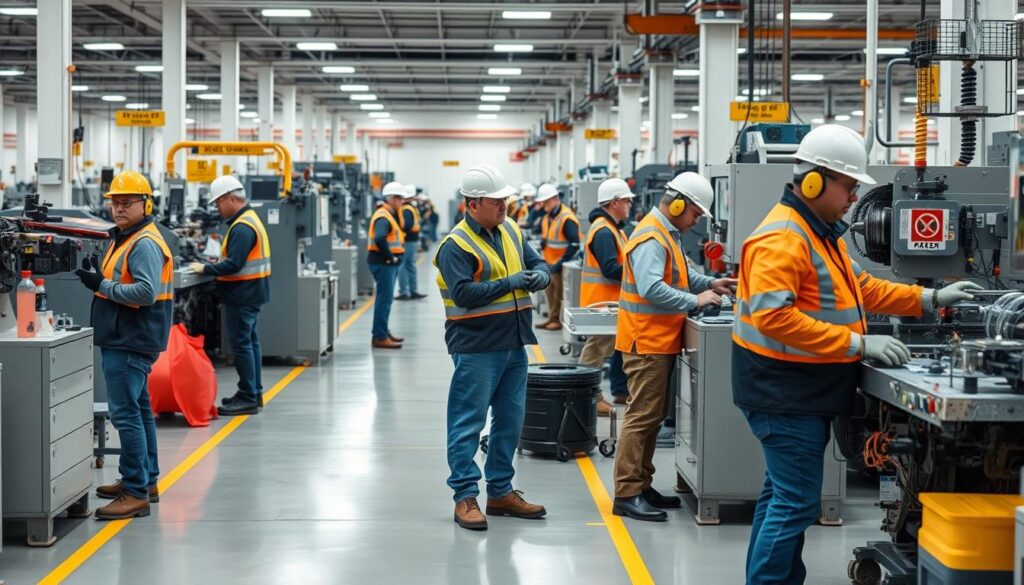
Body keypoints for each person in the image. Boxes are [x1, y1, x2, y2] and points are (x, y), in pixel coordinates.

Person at [732, 124, 982, 584]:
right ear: (814, 181)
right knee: (794, 504)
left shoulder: (820, 233)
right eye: (848, 186)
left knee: (781, 498)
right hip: (784, 392)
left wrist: (928, 299)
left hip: (798, 390)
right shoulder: (783, 238)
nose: (853, 197)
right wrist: (858, 344)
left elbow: (860, 287)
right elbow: (775, 319)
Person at [611, 172, 737, 522]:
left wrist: (712, 282)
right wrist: (696, 299)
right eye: (696, 213)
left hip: (659, 340)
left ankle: (641, 484)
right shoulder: (652, 236)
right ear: (678, 204)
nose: (697, 220)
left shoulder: (666, 233)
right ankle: (626, 492)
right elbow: (653, 288)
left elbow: (679, 276)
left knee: (650, 419)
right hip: (646, 340)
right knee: (641, 419)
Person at [435, 164, 551, 531]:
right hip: (476, 345)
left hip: (514, 342)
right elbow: (464, 294)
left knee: (510, 421)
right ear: (472, 204)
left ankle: (500, 491)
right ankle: (465, 496)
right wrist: (513, 281)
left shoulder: (511, 228)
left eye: (505, 199)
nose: (504, 206)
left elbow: (537, 262)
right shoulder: (455, 245)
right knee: (468, 423)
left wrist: (543, 274)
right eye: (496, 200)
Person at [76, 170, 173, 520]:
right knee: (139, 410)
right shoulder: (126, 237)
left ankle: (134, 492)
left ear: (145, 204)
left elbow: (145, 293)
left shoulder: (144, 242)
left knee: (125, 414)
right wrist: (101, 278)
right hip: (127, 335)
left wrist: (100, 285)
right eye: (115, 202)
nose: (118, 208)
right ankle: (145, 481)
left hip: (130, 338)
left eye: (126, 202)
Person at [189, 175, 272, 417]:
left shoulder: (242, 226)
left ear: (230, 198)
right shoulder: (249, 219)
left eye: (218, 203)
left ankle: (247, 397)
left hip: (242, 293)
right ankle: (252, 392)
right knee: (250, 343)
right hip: (252, 291)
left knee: (242, 344)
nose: (217, 208)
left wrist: (204, 268)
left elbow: (234, 265)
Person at [578, 178, 634, 416]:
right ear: (614, 203)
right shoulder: (603, 231)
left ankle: (621, 391)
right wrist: (641, 272)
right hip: (602, 303)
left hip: (613, 303)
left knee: (620, 347)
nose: (630, 205)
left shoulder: (614, 229)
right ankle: (588, 396)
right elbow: (611, 269)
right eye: (626, 201)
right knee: (596, 350)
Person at [534, 183, 580, 331]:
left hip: (560, 265)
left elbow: (574, 244)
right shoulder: (548, 217)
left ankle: (557, 320)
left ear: (554, 199)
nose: (543, 205)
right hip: (548, 263)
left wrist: (560, 263)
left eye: (545, 201)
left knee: (559, 295)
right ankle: (552, 318)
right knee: (549, 293)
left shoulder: (567, 218)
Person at [367, 182, 407, 349]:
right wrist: (390, 258)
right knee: (384, 301)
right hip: (383, 264)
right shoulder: (383, 216)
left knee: (386, 300)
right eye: (398, 198)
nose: (401, 202)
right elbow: (379, 238)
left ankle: (382, 331)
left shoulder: (389, 214)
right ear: (390, 199)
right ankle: (380, 336)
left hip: (386, 265)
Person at [396, 185, 426, 300]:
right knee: (410, 265)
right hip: (412, 240)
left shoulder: (406, 209)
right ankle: (413, 290)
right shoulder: (412, 208)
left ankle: (404, 292)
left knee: (402, 266)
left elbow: (407, 225)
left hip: (407, 240)